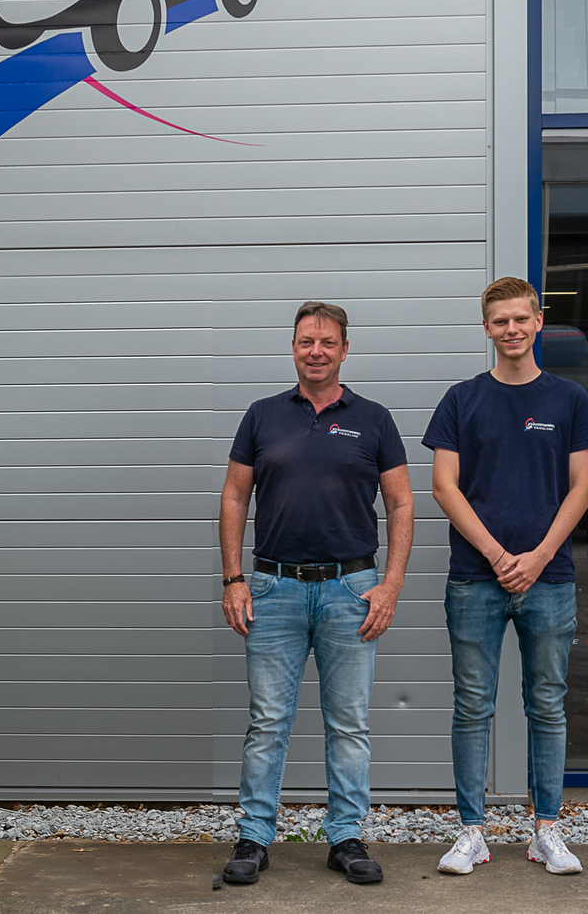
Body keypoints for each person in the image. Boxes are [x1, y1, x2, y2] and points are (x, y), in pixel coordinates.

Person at [218, 302, 414, 887]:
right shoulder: (263, 416)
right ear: (294, 347)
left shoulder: (374, 419)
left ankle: (347, 838)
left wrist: (391, 585)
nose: (317, 351)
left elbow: (402, 504)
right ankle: (254, 839)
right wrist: (233, 579)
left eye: (328, 342)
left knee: (349, 723)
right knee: (267, 721)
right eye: (306, 341)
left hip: (351, 589)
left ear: (345, 349)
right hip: (273, 587)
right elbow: (233, 498)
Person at [423, 277, 588, 876]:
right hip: (475, 578)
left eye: (520, 319)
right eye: (499, 321)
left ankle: (546, 831)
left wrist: (538, 554)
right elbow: (444, 486)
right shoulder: (461, 399)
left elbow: (583, 487)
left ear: (538, 322)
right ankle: (471, 832)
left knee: (546, 706)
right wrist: (500, 555)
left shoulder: (570, 401)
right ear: (486, 328)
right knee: (472, 705)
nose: (511, 330)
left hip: (547, 579)